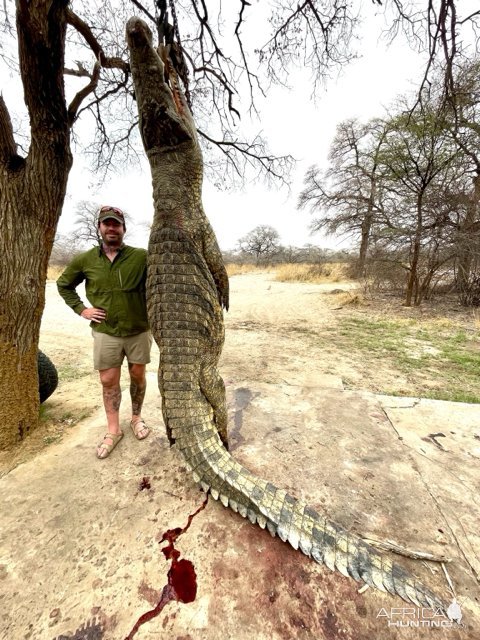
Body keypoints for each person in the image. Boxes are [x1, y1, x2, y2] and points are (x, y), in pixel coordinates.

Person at [57, 205, 152, 459]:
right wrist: (82, 309)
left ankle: (136, 417)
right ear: (99, 227)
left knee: (138, 375)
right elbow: (63, 284)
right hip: (106, 331)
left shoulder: (141, 257)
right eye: (107, 224)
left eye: (116, 224)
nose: (112, 228)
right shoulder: (85, 260)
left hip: (139, 329)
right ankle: (113, 430)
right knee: (108, 381)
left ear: (123, 229)